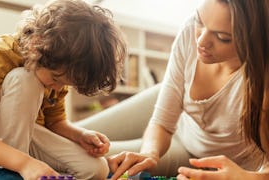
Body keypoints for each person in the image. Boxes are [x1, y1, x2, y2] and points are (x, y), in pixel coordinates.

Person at [0, 0, 127, 179]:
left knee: (97, 169)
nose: (58, 88)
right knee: (25, 78)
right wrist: (24, 163)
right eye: (56, 79)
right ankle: (6, 174)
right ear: (36, 45)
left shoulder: (58, 67)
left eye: (66, 83)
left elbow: (55, 122)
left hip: (28, 137)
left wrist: (80, 135)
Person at [106, 0, 269, 179]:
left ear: (254, 39)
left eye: (223, 37)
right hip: (178, 133)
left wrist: (248, 177)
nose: (201, 41)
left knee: (93, 162)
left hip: (213, 162)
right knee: (81, 143)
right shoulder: (190, 31)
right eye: (200, 21)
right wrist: (149, 154)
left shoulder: (262, 79)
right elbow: (162, 123)